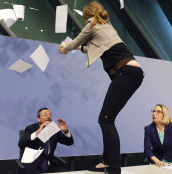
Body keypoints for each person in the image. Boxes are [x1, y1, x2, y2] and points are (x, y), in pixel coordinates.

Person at [59, 1, 144, 174]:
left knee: (105, 119)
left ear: (87, 16)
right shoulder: (107, 25)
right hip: (134, 73)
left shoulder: (92, 24)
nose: (85, 23)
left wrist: (65, 49)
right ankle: (106, 161)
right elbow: (95, 49)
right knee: (108, 118)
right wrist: (78, 49)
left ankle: (113, 168)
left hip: (125, 72)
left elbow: (75, 43)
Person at [18, 107, 74, 174]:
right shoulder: (31, 128)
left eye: (50, 115)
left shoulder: (54, 129)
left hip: (50, 165)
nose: (48, 116)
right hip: (33, 165)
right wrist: (38, 131)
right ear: (38, 119)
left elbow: (69, 142)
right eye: (45, 115)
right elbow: (21, 144)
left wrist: (66, 131)